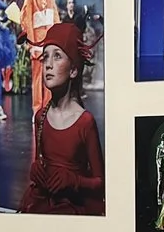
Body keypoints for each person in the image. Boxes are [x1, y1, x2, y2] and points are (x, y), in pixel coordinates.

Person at [22, 34, 104, 215]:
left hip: (72, 207)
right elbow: (40, 161)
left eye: (57, 56)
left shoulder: (85, 122)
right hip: (43, 201)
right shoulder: (40, 117)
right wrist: (36, 170)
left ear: (73, 70)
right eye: (45, 57)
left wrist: (74, 180)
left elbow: (101, 182)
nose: (48, 65)